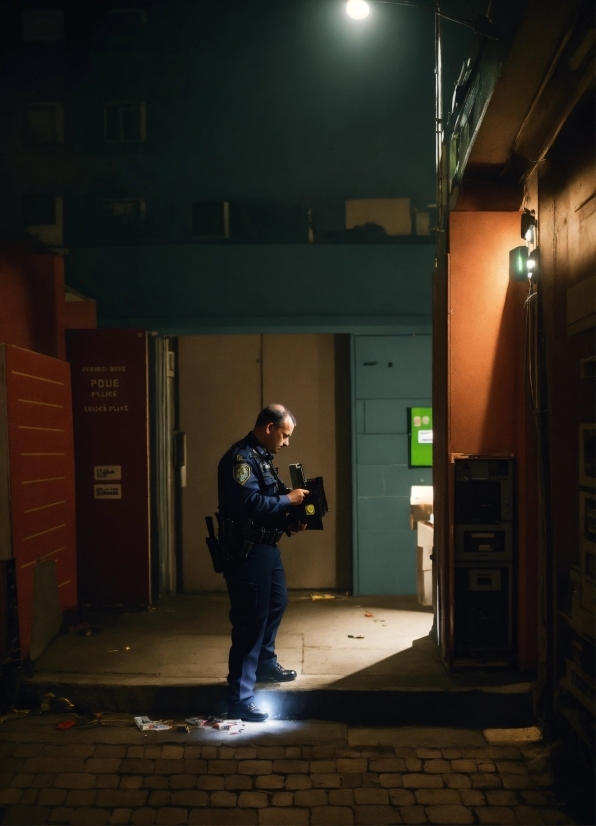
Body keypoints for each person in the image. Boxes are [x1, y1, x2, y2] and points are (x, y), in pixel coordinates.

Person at [217, 404, 309, 722]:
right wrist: (290, 500)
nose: (286, 443)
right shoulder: (241, 460)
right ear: (269, 428)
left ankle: (266, 665)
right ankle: (239, 699)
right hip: (247, 551)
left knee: (276, 603)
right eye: (284, 435)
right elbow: (250, 503)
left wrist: (288, 522)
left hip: (267, 547)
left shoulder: (263, 460)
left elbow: (265, 508)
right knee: (250, 622)